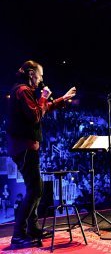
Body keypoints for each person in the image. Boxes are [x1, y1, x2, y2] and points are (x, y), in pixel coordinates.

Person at [6, 60, 76, 249]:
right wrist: (44, 96)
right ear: (31, 74)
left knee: (34, 190)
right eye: (40, 75)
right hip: (25, 148)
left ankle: (32, 228)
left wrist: (61, 99)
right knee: (35, 190)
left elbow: (40, 109)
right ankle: (18, 235)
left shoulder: (24, 92)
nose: (42, 79)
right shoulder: (22, 91)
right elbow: (36, 115)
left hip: (26, 147)